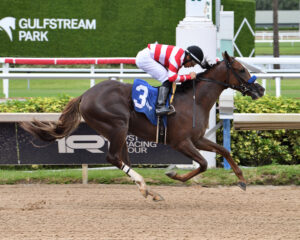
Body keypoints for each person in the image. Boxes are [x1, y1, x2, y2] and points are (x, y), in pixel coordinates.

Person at [136, 43, 204, 116]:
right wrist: (189, 76)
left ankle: (165, 103)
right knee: (166, 78)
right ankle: (160, 107)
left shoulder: (181, 57)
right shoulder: (177, 57)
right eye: (193, 63)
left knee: (168, 78)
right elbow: (172, 78)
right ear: (188, 57)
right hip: (145, 59)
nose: (192, 66)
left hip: (149, 56)